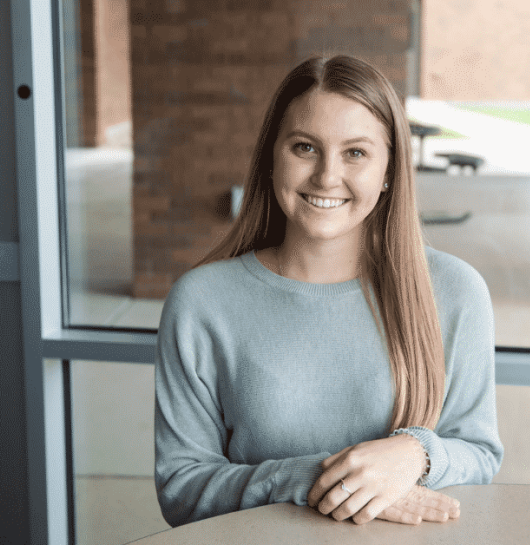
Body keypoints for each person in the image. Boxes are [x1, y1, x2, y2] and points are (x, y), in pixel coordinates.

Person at [154, 54, 503, 528]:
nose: (326, 176)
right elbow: (181, 490)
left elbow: (480, 455)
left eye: (355, 153)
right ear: (271, 158)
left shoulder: (455, 291)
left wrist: (416, 453)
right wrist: (309, 479)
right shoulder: (200, 302)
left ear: (388, 172)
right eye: (304, 147)